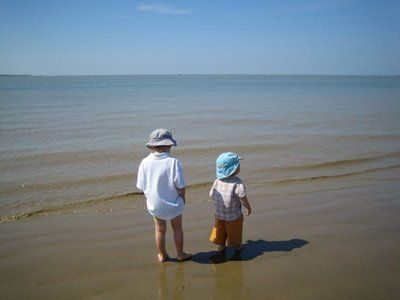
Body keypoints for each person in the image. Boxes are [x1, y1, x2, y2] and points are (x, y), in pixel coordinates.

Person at [136, 128, 192, 263]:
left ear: (152, 146)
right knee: (177, 228)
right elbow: (180, 185)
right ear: (168, 145)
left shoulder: (144, 162)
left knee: (160, 230)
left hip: (156, 205)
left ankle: (162, 255)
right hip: (173, 204)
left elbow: (141, 186)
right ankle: (180, 254)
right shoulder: (173, 162)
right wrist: (182, 198)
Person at [209, 152, 252, 253]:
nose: (239, 166)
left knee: (220, 231)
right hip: (234, 216)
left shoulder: (217, 181)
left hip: (219, 214)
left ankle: (221, 246)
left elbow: (212, 194)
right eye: (238, 165)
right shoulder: (237, 183)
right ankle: (237, 246)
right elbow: (242, 197)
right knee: (235, 231)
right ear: (233, 169)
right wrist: (248, 207)